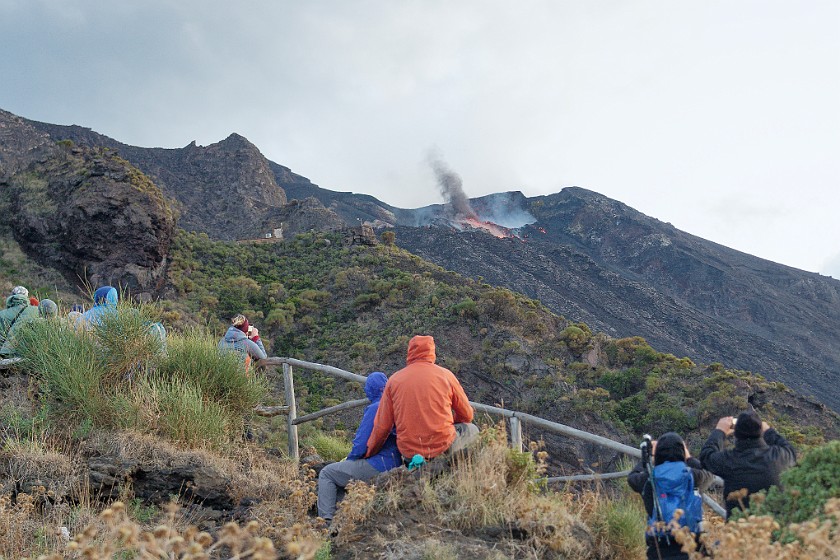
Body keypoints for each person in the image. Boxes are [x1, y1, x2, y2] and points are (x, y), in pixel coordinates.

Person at [366, 335, 478, 463]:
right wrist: (451, 425)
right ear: (432, 352)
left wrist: (370, 451)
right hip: (443, 447)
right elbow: (467, 415)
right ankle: (451, 465)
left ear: (409, 352)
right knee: (472, 429)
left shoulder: (394, 380)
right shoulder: (446, 375)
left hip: (409, 454)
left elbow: (382, 427)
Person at [317, 371, 401, 524]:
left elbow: (361, 445)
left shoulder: (376, 408)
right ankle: (343, 519)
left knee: (327, 473)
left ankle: (325, 522)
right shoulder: (396, 405)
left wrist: (348, 460)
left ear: (370, 389)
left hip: (379, 464)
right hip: (397, 462)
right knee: (341, 475)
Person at [628, 432, 715, 560]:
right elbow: (710, 473)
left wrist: (648, 458)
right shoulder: (694, 476)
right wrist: (688, 457)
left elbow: (632, 478)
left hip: (659, 549)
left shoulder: (648, 479)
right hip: (691, 546)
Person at [699, 410, 796, 518]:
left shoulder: (730, 460)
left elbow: (706, 457)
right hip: (773, 527)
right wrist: (768, 431)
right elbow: (790, 449)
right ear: (760, 432)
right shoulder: (779, 456)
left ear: (736, 434)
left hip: (739, 529)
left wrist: (720, 431)